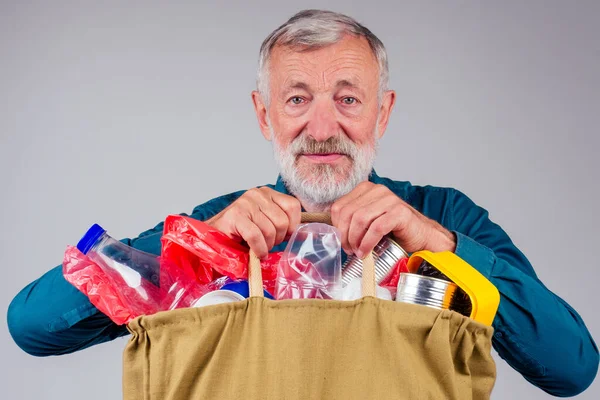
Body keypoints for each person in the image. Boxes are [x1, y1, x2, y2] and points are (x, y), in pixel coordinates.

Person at [7, 9, 598, 397]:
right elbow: (31, 325)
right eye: (296, 99)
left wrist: (436, 244)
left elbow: (571, 368)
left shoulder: (443, 217)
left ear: (382, 112)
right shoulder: (225, 221)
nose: (322, 127)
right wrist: (201, 242)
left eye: (347, 98)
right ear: (264, 114)